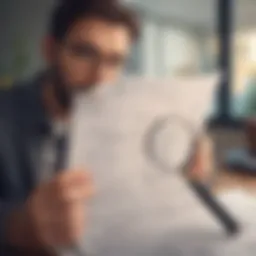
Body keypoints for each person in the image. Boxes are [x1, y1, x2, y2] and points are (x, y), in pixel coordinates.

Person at [0, 0, 208, 255]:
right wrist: (19, 226)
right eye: (85, 53)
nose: (100, 78)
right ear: (50, 50)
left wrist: (187, 178)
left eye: (115, 61)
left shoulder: (128, 121)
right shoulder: (7, 116)